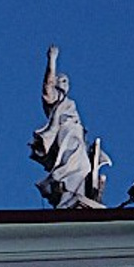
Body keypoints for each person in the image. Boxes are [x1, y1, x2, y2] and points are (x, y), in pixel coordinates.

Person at [31, 45, 107, 209]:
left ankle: (77, 196)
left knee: (85, 168)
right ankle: (69, 197)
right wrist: (52, 60)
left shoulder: (69, 101)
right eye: (63, 80)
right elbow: (47, 88)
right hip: (66, 137)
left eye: (67, 81)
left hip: (76, 138)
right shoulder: (56, 99)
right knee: (72, 168)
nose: (66, 84)